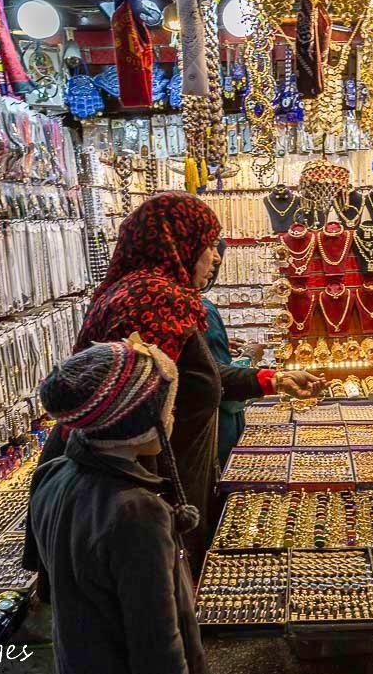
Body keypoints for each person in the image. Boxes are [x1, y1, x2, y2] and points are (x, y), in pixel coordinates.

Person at [25, 191, 322, 577]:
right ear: (177, 244)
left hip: (151, 484)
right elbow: (130, 411)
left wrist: (273, 380)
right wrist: (145, 517)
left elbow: (195, 375)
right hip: (145, 493)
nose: (215, 257)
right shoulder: (154, 300)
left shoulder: (145, 292)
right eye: (207, 246)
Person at [28, 336, 207, 674]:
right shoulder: (137, 513)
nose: (173, 416)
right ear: (139, 421)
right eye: (168, 408)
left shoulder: (53, 474)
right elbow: (157, 643)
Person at [201, 239, 264, 467]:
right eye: (208, 249)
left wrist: (215, 347)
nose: (216, 259)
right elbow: (222, 389)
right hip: (214, 430)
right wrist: (249, 356)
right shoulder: (201, 310)